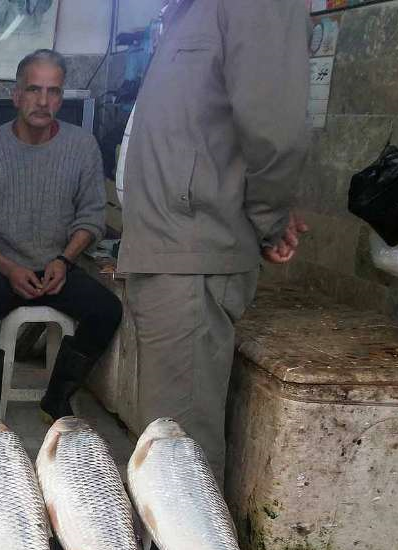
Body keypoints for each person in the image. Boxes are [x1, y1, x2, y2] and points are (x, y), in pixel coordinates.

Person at [119, 0, 308, 478]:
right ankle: (166, 548)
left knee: (179, 453)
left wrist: (268, 217)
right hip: (164, 250)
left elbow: (274, 130)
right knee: (162, 440)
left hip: (191, 252)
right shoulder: (186, 13)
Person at [0, 48, 121, 420]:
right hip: (2, 266)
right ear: (16, 95)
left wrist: (64, 260)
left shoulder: (82, 147)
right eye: (34, 90)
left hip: (58, 265)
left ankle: (56, 399)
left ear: (61, 97)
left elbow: (91, 217)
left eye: (54, 91)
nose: (43, 101)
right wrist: (9, 269)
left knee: (107, 310)